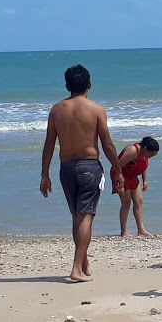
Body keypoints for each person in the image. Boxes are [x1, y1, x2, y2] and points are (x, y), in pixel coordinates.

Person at [39, 64, 120, 282]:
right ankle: (76, 268)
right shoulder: (95, 109)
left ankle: (83, 263)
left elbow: (49, 144)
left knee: (77, 216)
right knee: (85, 217)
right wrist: (118, 169)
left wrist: (44, 174)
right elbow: (107, 144)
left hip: (66, 168)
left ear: (67, 86)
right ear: (90, 84)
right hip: (89, 166)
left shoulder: (56, 110)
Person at [112, 136, 161, 238]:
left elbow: (143, 166)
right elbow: (116, 167)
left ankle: (141, 230)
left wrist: (145, 180)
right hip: (120, 175)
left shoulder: (146, 155)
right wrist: (119, 185)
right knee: (126, 203)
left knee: (138, 201)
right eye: (151, 153)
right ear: (145, 148)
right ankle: (124, 231)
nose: (151, 156)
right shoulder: (132, 151)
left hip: (132, 176)